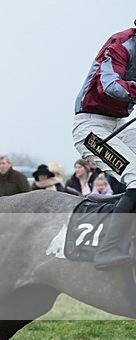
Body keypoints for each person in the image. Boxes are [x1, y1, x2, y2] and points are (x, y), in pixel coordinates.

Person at [72, 19, 136, 269]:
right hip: (91, 127)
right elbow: (110, 86)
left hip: (120, 124)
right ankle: (107, 250)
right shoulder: (120, 45)